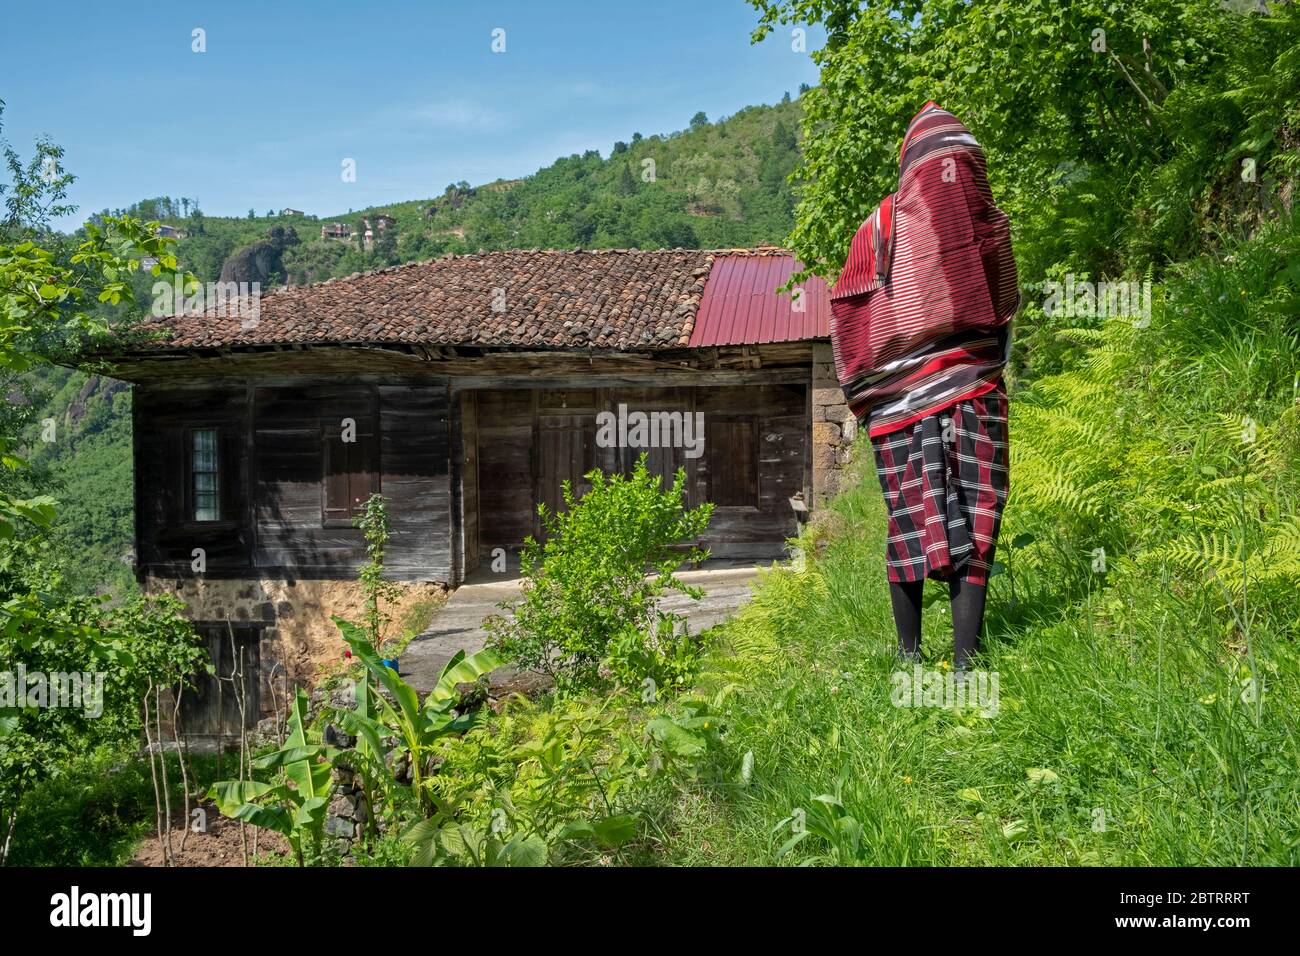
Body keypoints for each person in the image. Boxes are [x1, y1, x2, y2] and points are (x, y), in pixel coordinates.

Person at [828, 102, 1020, 671]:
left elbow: (850, 315)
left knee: (913, 522)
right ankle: (965, 664)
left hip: (898, 407)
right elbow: (1004, 304)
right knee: (977, 514)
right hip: (972, 388)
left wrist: (874, 390)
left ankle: (912, 659)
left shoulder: (876, 230)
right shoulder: (983, 218)